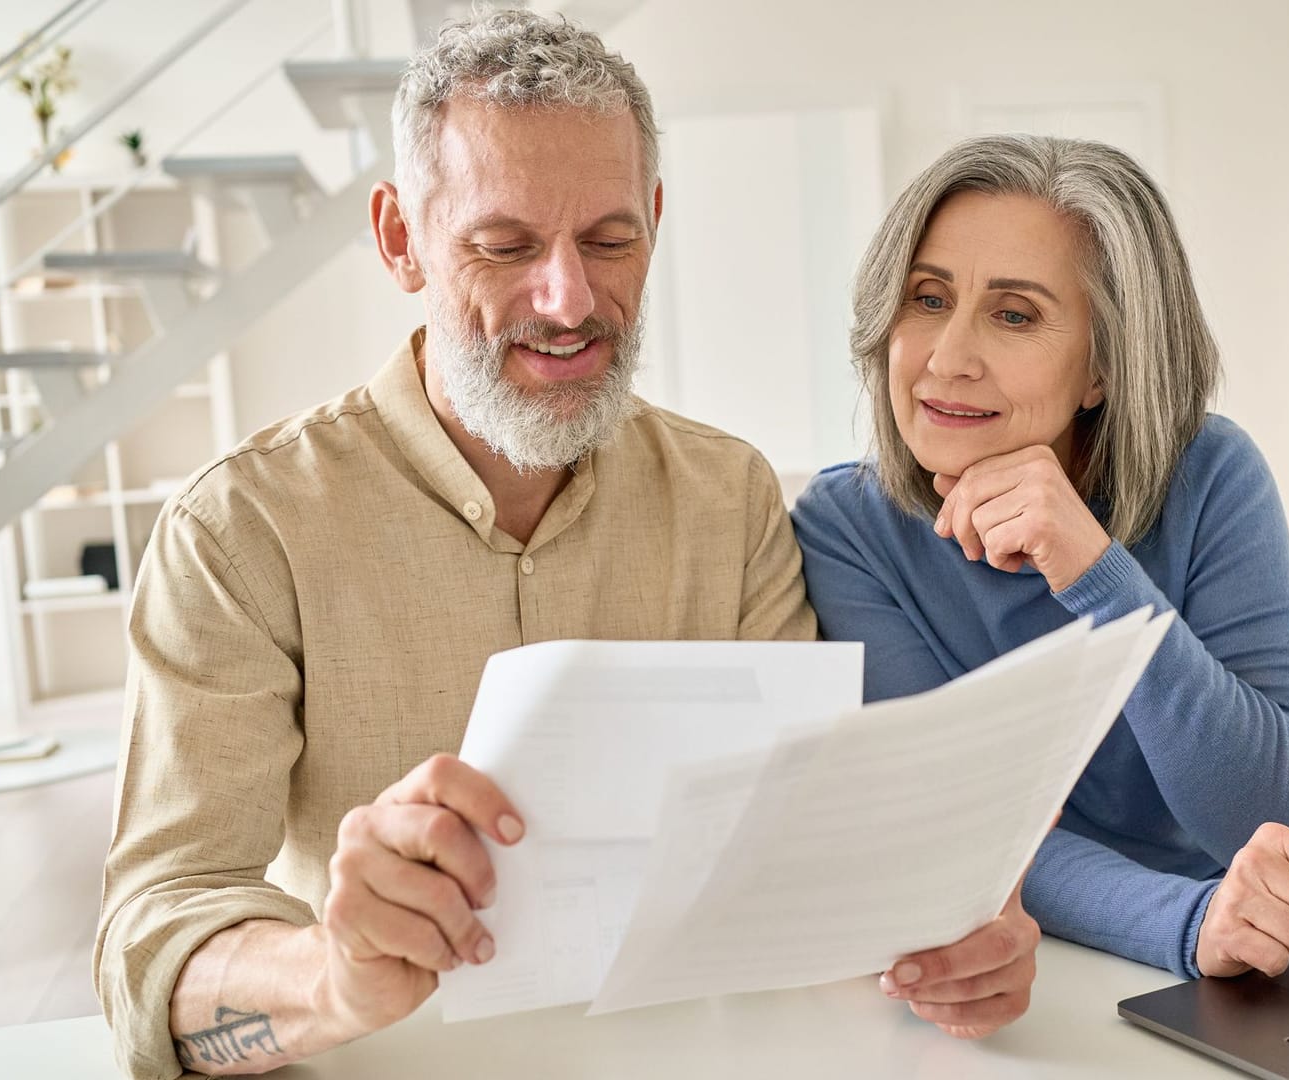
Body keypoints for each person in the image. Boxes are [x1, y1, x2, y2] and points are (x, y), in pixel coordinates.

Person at [95, 14, 1033, 1078]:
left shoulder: (730, 499)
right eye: (503, 246)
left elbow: (805, 846)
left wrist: (950, 924)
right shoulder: (241, 530)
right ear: (400, 240)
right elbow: (157, 934)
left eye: (609, 239)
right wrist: (329, 978)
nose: (570, 300)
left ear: (658, 221)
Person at [792, 134, 1289, 1001]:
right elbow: (959, 825)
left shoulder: (1211, 475)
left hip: (1224, 968)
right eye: (927, 299)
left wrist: (1098, 574)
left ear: (1103, 366)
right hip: (1012, 965)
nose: (946, 356)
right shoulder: (846, 526)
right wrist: (1186, 923)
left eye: (1015, 313)